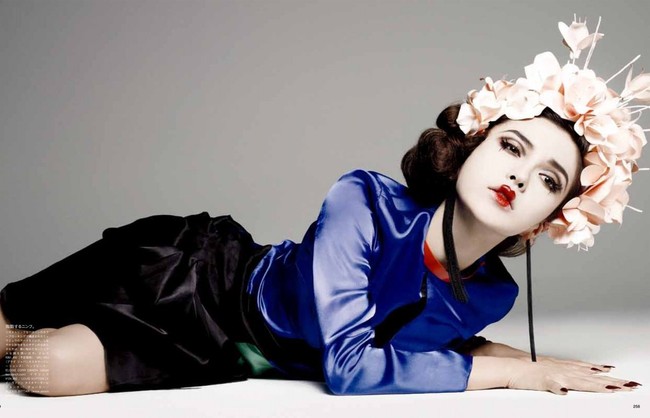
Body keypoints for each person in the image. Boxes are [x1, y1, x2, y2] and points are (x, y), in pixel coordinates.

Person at [0, 16, 646, 397]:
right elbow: (348, 368)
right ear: (470, 146)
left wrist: (528, 364)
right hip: (197, 276)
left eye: (549, 179)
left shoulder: (494, 295)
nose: (519, 176)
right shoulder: (363, 201)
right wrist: (514, 376)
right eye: (510, 146)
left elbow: (426, 340)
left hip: (230, 354)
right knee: (12, 327)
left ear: (554, 216)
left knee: (41, 369)